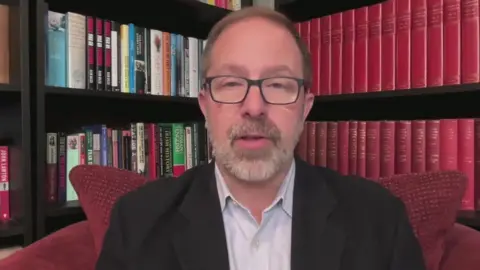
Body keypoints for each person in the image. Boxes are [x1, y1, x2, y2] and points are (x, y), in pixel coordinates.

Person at [96, 6, 426, 270]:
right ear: (205, 104)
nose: (254, 107)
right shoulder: (137, 221)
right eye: (231, 83)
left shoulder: (380, 221)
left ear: (305, 107)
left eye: (278, 84)